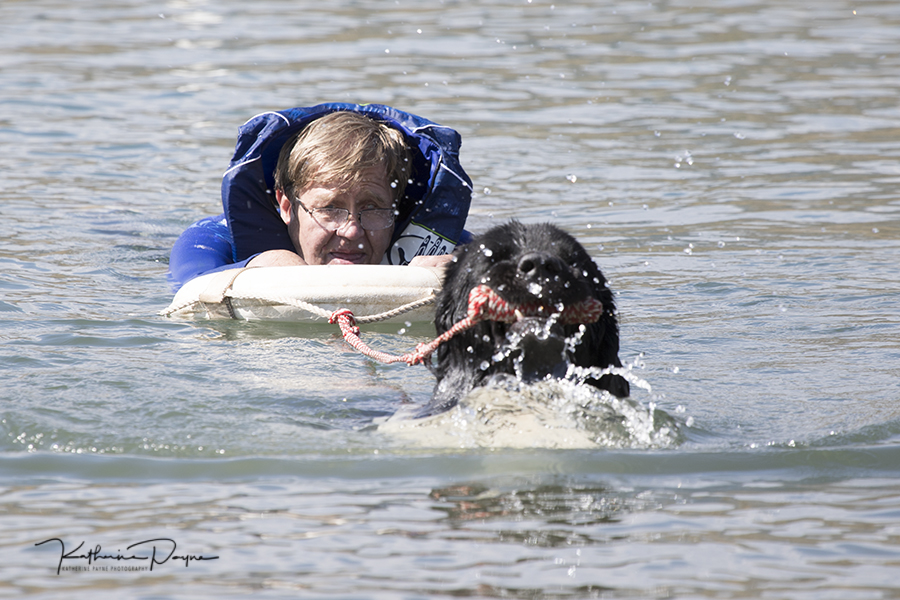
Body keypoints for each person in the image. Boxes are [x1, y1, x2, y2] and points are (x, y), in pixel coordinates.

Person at [167, 103, 472, 292]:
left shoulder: (444, 248)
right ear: (287, 206)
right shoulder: (212, 242)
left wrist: (463, 273)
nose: (352, 231)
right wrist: (260, 265)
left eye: (373, 208)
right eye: (330, 208)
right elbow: (188, 288)